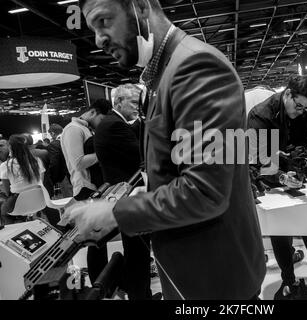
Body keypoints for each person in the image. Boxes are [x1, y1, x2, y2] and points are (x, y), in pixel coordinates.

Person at [68, 0, 266, 300]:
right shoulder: (163, 73)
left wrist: (114, 213)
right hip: (193, 271)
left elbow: (205, 192)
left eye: (104, 21)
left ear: (141, 7)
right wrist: (148, 187)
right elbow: (183, 162)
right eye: (94, 28)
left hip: (216, 280)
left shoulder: (195, 67)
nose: (98, 39)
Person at [247, 75, 307, 300]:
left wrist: (301, 168)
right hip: (267, 173)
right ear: (287, 94)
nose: (301, 112)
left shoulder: (299, 111)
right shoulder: (260, 115)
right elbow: (257, 161)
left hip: (289, 170)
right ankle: (288, 280)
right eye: (298, 106)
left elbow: (301, 145)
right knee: (281, 226)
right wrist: (282, 176)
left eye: (305, 108)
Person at [94, 94, 156, 300]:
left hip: (125, 193)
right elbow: (142, 155)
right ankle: (141, 297)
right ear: (118, 101)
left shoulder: (113, 122)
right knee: (138, 252)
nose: (137, 107)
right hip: (128, 195)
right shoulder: (114, 125)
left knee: (136, 250)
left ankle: (141, 294)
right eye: (133, 103)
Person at [61, 103, 109, 284]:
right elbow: (78, 163)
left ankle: (103, 283)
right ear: (92, 112)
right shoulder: (73, 129)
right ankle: (99, 284)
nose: (101, 124)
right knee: (95, 240)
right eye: (101, 119)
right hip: (84, 188)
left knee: (99, 240)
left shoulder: (84, 129)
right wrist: (104, 151)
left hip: (92, 187)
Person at [0, 135, 45, 225]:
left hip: (18, 202)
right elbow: (40, 182)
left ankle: (14, 232)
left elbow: (7, 190)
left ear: (11, 148)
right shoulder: (37, 161)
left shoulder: (6, 165)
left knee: (3, 212)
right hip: (40, 200)